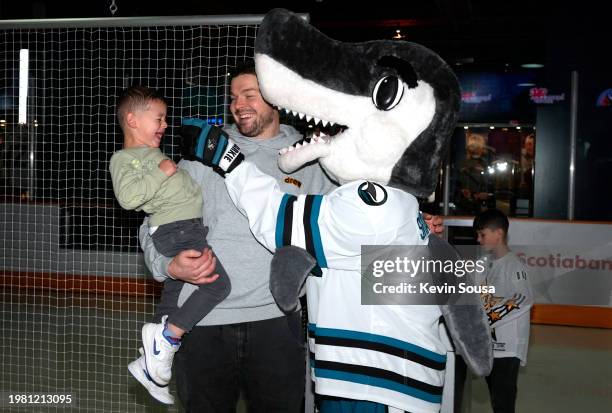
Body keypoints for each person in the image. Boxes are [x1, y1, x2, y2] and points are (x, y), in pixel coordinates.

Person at [109, 85, 231, 405]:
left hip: (184, 228)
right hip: (175, 230)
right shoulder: (125, 159)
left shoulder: (151, 154)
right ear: (133, 120)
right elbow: (129, 198)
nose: (165, 125)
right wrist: (163, 173)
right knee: (217, 285)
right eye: (159, 119)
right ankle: (165, 338)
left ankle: (151, 366)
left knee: (176, 292)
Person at [472, 208, 533, 413]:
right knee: (496, 399)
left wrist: (488, 319)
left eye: (483, 234)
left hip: (507, 347)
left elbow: (522, 299)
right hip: (491, 345)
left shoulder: (514, 265)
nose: (479, 240)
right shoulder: (485, 264)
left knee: (503, 401)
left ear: (498, 234)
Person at [457, 132, 490, 215]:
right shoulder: (463, 164)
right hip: (466, 203)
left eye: (475, 145)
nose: (473, 148)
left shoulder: (484, 164)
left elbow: (488, 182)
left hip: (477, 203)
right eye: (472, 145)